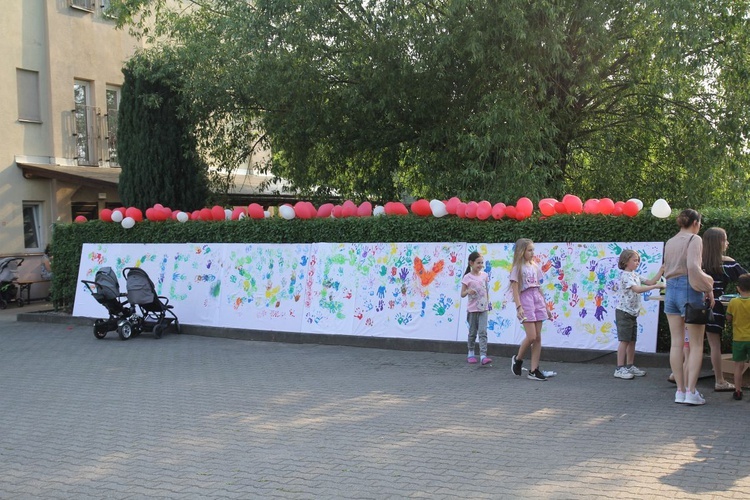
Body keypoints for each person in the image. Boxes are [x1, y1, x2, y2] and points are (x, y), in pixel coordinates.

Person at [663, 209, 715, 405]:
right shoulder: (695, 239)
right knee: (696, 344)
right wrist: (708, 285)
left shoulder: (670, 241)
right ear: (695, 222)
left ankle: (680, 390)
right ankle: (691, 392)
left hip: (671, 290)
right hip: (689, 290)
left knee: (676, 343)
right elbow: (693, 267)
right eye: (699, 223)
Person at [702, 227, 748, 392]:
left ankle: (679, 377)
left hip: (694, 306)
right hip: (715, 307)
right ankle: (719, 380)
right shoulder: (727, 262)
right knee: (715, 345)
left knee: (690, 345)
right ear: (718, 242)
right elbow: (745, 280)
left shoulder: (697, 262)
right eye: (725, 239)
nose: (727, 243)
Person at [613, 250, 665, 379]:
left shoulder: (635, 275)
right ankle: (619, 368)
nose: (637, 263)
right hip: (624, 312)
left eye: (638, 260)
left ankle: (630, 365)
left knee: (632, 341)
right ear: (626, 262)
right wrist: (655, 287)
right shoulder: (626, 276)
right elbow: (638, 289)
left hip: (632, 313)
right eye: (634, 260)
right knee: (624, 341)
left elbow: (650, 282)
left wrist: (661, 270)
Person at [509, 238, 552, 381]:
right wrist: (519, 307)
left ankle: (534, 370)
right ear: (522, 251)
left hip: (537, 299)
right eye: (529, 250)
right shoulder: (517, 268)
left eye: (533, 249)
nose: (532, 252)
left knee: (538, 337)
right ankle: (518, 359)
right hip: (526, 300)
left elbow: (539, 287)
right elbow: (515, 289)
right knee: (532, 336)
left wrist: (545, 306)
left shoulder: (534, 266)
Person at [461, 251, 493, 366]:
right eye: (478, 263)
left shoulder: (484, 276)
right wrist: (468, 291)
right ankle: (471, 352)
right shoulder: (467, 277)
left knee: (483, 331)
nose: (480, 265)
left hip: (483, 308)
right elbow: (462, 294)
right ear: (471, 263)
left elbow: (486, 290)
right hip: (472, 309)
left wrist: (488, 303)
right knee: (472, 332)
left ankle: (483, 355)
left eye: (482, 263)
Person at [725, 273, 750, 401]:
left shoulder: (733, 302)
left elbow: (728, 318)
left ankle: (738, 391)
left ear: (738, 288)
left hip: (739, 339)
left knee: (738, 367)